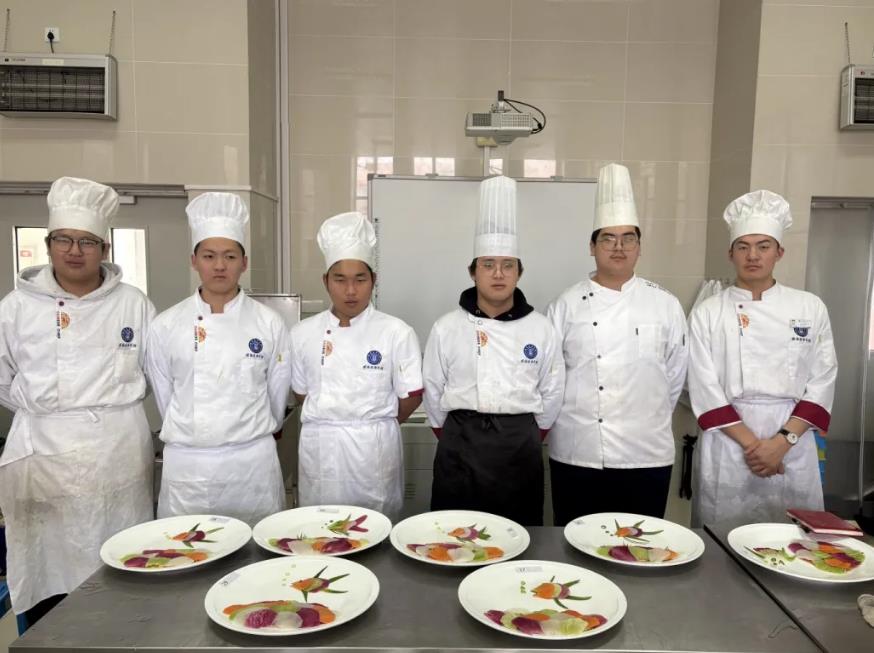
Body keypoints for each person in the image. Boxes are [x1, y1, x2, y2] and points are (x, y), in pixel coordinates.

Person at [0, 177, 154, 622]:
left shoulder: (133, 304)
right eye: (63, 240)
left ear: (104, 249)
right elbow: (3, 379)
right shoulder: (16, 307)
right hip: (44, 457)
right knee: (48, 573)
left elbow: (155, 372)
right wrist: (52, 413)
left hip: (117, 454)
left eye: (87, 241)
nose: (74, 251)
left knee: (122, 567)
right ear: (48, 245)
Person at [547, 163, 688, 525]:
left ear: (640, 247)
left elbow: (674, 376)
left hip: (646, 455)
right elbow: (551, 377)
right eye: (608, 238)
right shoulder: (565, 304)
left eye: (628, 238)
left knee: (641, 546)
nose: (619, 247)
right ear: (591, 247)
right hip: (577, 452)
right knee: (574, 544)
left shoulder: (665, 304)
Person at [688, 190, 837, 524]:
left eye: (763, 246)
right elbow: (703, 386)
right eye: (743, 246)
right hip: (729, 441)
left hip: (791, 441)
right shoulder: (708, 312)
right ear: (731, 253)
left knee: (792, 538)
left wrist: (782, 443)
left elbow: (823, 379)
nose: (752, 255)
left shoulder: (809, 307)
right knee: (722, 537)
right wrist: (755, 447)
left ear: (779, 252)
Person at [422, 175, 564, 526]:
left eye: (507, 265)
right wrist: (455, 434)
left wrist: (527, 434)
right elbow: (432, 390)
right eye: (488, 264)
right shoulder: (446, 327)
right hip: (460, 444)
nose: (498, 274)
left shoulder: (541, 328)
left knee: (520, 537)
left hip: (519, 448)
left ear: (519, 272)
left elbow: (553, 390)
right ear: (473, 272)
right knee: (454, 536)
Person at [146, 192, 290, 525]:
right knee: (186, 548)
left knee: (256, 551)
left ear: (244, 262)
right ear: (194, 261)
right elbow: (166, 396)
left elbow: (277, 394)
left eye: (230, 256)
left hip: (251, 464)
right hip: (188, 465)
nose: (220, 266)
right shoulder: (166, 325)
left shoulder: (269, 323)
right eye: (209, 256)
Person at [290, 212, 423, 521]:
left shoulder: (396, 332)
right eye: (340, 279)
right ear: (325, 281)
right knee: (320, 530)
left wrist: (372, 426)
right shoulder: (302, 334)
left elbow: (411, 396)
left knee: (375, 529)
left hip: (373, 452)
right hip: (322, 450)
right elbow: (301, 393)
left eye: (360, 279)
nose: (350, 290)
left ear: (373, 281)